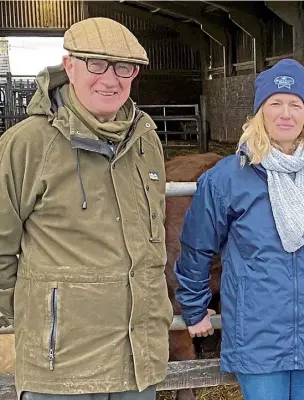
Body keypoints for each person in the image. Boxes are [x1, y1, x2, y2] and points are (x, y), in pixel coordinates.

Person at [0, 17, 173, 400]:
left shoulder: (146, 142)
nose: (110, 80)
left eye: (123, 67)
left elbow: (151, 242)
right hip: (62, 370)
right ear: (69, 66)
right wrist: (39, 318)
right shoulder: (27, 144)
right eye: (96, 63)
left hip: (136, 361)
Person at [174, 58, 304, 400]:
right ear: (259, 111)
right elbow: (196, 245)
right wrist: (194, 306)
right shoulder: (228, 177)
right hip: (257, 330)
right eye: (275, 103)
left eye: (296, 105)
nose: (285, 114)